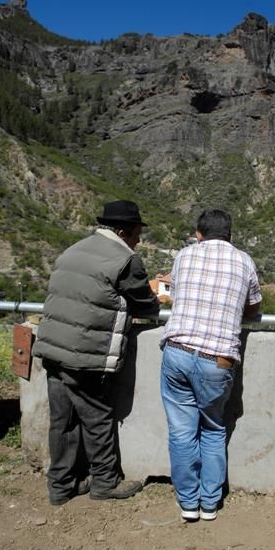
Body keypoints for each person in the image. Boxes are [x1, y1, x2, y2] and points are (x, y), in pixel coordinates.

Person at [32, 200, 159, 505]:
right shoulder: (126, 261)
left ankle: (61, 486)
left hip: (52, 349)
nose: (138, 240)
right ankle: (104, 482)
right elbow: (146, 305)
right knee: (98, 418)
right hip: (86, 354)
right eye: (136, 233)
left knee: (63, 421)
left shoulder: (72, 250)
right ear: (121, 231)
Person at [160, 209, 261, 521]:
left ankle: (188, 504)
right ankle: (209, 504)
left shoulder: (184, 256)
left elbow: (176, 295)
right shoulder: (245, 261)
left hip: (177, 351)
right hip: (218, 359)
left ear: (198, 234)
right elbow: (254, 308)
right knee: (214, 429)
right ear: (230, 235)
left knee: (181, 433)